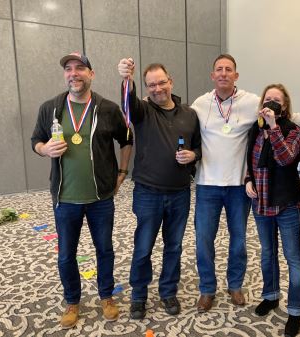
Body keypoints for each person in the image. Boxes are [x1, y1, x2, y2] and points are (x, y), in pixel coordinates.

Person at [191, 54, 300, 313]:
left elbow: (293, 118)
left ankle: (235, 284)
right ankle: (207, 289)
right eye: (219, 69)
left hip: (240, 186)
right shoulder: (199, 104)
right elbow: (179, 122)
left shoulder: (253, 103)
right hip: (207, 184)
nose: (224, 73)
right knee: (204, 240)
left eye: (229, 69)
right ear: (212, 75)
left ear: (236, 75)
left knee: (238, 240)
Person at [31, 52, 133, 329]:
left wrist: (122, 172)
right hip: (65, 197)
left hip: (101, 197)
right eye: (68, 69)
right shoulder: (50, 108)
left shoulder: (108, 108)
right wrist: (44, 149)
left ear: (91, 74)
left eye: (79, 68)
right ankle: (72, 301)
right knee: (66, 254)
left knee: (105, 250)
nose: (73, 73)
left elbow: (126, 140)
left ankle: (106, 297)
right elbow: (36, 140)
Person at [117, 58, 201, 319]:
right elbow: (128, 103)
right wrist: (126, 79)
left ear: (170, 81)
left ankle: (168, 292)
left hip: (179, 193)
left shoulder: (189, 114)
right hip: (148, 193)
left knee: (173, 246)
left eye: (161, 82)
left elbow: (199, 146)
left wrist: (193, 155)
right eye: (150, 85)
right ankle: (139, 295)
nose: (157, 88)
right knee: (143, 247)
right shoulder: (143, 111)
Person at [245, 84, 300, 337]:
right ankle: (271, 296)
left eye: (276, 100)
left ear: (284, 105)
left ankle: (295, 310)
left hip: (287, 203)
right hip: (260, 202)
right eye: (267, 99)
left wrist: (273, 127)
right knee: (267, 252)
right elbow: (249, 158)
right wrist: (248, 180)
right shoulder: (255, 129)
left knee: (293, 257)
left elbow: (285, 159)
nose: (271, 103)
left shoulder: (294, 131)